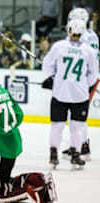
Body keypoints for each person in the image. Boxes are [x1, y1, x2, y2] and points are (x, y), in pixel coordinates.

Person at [0, 65, 57, 203]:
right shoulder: (2, 91)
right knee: (4, 178)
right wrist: (6, 129)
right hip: (12, 142)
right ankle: (38, 179)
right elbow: (19, 115)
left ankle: (37, 186)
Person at [42, 18, 98, 169]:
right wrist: (84, 85)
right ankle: (75, 154)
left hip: (60, 93)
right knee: (77, 126)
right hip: (80, 95)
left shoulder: (59, 46)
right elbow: (93, 73)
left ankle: (53, 154)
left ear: (69, 30)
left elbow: (47, 65)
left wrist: (52, 78)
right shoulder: (89, 51)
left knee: (57, 125)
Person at [62, 7, 99, 161]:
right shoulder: (92, 35)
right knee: (75, 113)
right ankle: (79, 145)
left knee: (76, 114)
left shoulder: (78, 36)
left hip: (81, 80)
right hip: (89, 77)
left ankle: (83, 145)